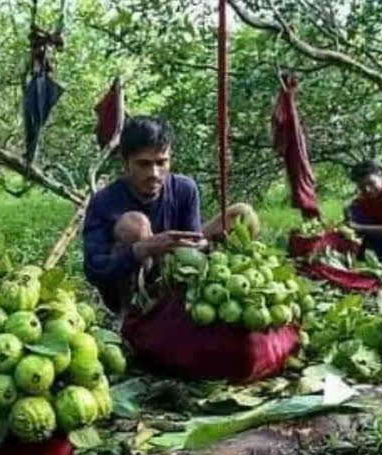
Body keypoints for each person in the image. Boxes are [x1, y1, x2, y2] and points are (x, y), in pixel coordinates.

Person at [83, 116, 259, 314]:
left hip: (176, 268)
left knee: (242, 214)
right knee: (135, 224)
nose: (155, 174)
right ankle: (133, 314)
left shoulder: (184, 188)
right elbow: (94, 269)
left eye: (161, 162)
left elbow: (192, 243)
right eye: (144, 164)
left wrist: (204, 245)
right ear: (126, 163)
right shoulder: (104, 201)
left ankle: (211, 301)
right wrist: (144, 248)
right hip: (131, 285)